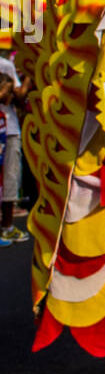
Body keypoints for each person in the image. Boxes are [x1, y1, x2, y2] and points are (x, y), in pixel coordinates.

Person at [0, 54, 31, 245]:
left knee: (8, 179)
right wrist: (30, 73)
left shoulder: (6, 64)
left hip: (8, 129)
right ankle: (7, 227)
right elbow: (20, 96)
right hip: (8, 130)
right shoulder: (5, 65)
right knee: (9, 179)